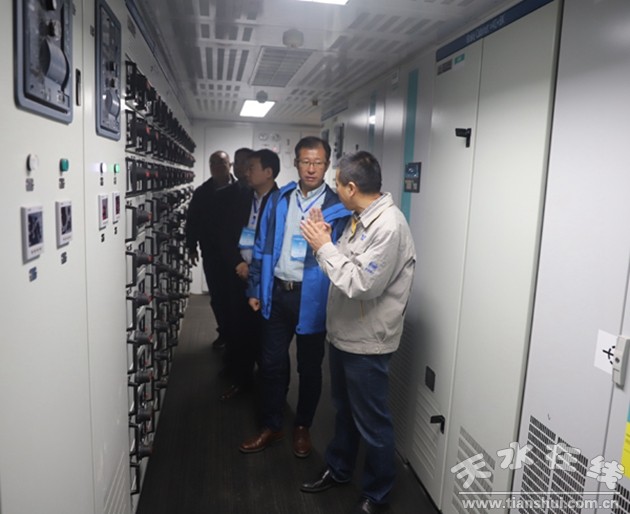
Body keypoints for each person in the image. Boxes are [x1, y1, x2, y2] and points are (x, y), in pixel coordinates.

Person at [299, 151, 416, 514]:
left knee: (372, 422)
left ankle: (378, 495)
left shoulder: (388, 226)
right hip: (344, 333)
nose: (334, 189)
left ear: (350, 188)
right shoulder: (359, 218)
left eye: (336, 183)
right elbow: (342, 266)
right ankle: (339, 469)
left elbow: (362, 283)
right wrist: (323, 241)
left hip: (367, 342)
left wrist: (323, 247)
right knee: (344, 411)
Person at [239, 136, 351, 458]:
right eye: (305, 162)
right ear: (296, 163)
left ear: (327, 165)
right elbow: (261, 245)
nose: (311, 169)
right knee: (271, 363)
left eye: (318, 162)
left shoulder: (338, 207)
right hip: (277, 292)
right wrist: (254, 288)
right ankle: (272, 425)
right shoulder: (280, 199)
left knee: (310, 368)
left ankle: (302, 426)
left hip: (312, 298)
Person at [217, 149, 279, 400]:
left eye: (252, 167)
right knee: (239, 330)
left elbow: (277, 246)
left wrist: (253, 270)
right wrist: (238, 263)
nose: (245, 171)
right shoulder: (244, 198)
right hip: (239, 273)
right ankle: (242, 380)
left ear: (268, 172)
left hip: (265, 280)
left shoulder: (280, 203)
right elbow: (227, 234)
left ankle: (267, 391)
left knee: (264, 337)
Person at [185, 150, 234, 350]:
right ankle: (224, 331)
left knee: (236, 297)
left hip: (237, 255)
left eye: (221, 163)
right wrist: (192, 247)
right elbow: (192, 221)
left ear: (229, 165)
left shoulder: (241, 190)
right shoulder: (202, 192)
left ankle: (237, 335)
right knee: (218, 296)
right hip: (212, 252)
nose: (217, 167)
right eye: (213, 163)